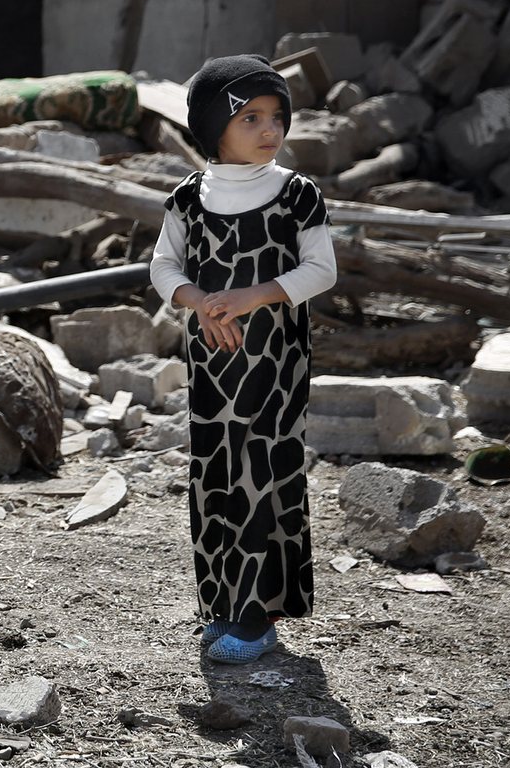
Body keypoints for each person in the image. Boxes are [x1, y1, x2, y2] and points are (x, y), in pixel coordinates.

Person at [149, 55, 337, 664]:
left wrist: (254, 295)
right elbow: (162, 268)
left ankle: (258, 617)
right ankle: (222, 606)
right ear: (212, 128)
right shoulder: (188, 198)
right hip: (212, 365)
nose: (268, 130)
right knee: (214, 476)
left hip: (275, 366)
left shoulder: (295, 195)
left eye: (276, 116)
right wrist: (199, 301)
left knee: (264, 471)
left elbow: (321, 270)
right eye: (249, 117)